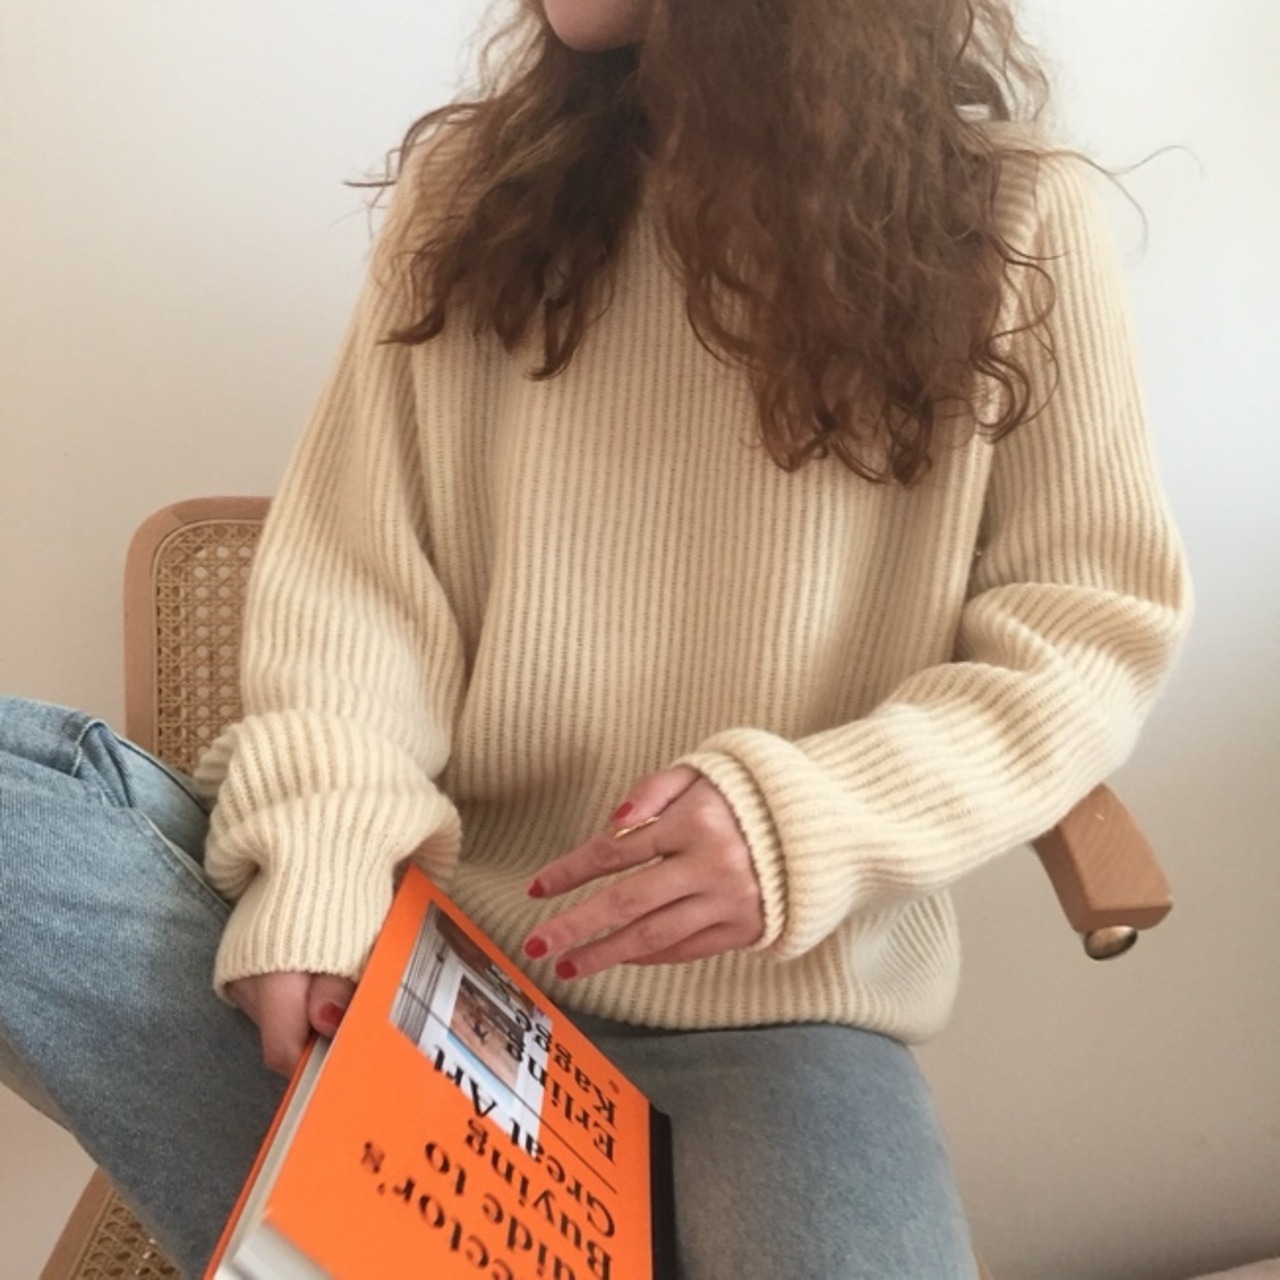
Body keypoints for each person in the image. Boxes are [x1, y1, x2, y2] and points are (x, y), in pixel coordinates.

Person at [0, 0, 1191, 1275]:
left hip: (781, 1024)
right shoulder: (477, 198)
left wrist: (806, 819)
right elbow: (356, 600)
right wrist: (324, 874)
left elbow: (1084, 633)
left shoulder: (1012, 220)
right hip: (428, 972)